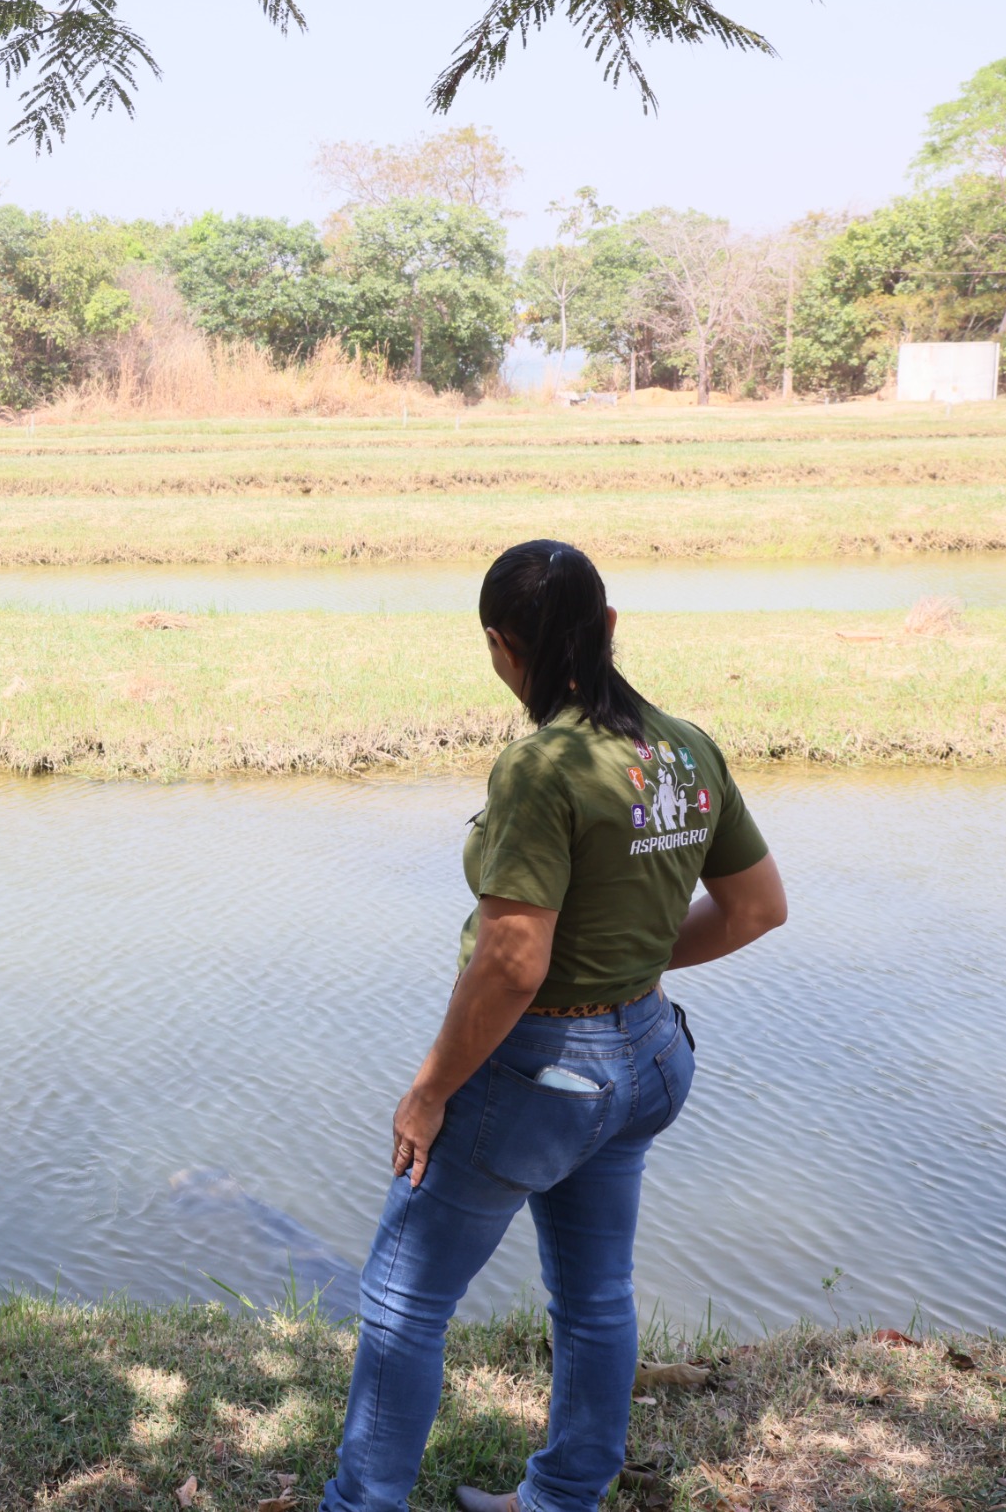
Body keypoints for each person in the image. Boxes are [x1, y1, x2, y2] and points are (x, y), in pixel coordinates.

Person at [319, 541, 790, 1512]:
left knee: (403, 1302)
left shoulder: (540, 764)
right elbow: (754, 908)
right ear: (610, 626)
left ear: (500, 646)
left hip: (538, 1076)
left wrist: (429, 1089)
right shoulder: (686, 746)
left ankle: (357, 1504)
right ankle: (563, 1496)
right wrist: (631, 964)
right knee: (594, 1295)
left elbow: (511, 960)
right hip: (649, 1060)